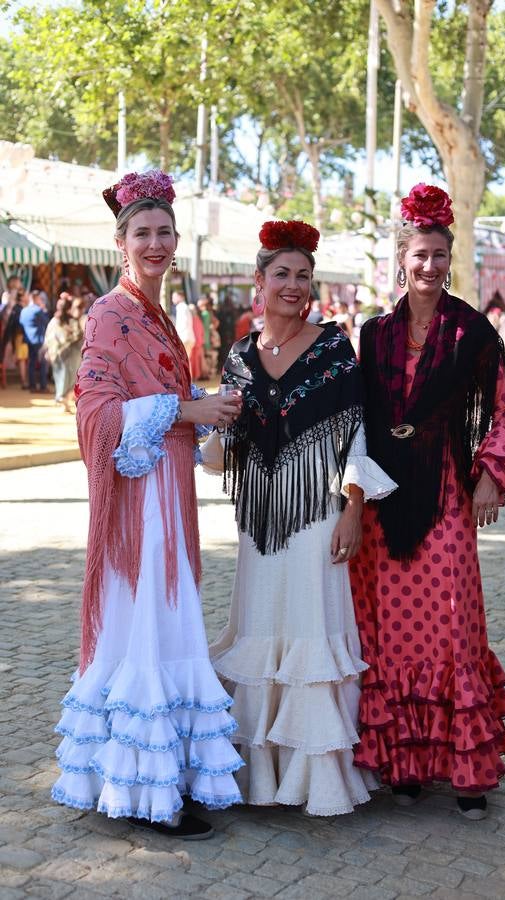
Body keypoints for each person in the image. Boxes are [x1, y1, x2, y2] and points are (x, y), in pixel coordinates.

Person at [350, 184, 505, 821]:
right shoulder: (374, 334)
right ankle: (407, 765)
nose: (430, 266)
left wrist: (492, 474)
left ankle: (467, 771)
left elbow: (502, 409)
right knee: (391, 633)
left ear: (450, 257)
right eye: (420, 253)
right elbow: (356, 417)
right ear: (401, 258)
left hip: (445, 494)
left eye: (440, 254)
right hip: (387, 500)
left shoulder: (475, 331)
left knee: (452, 622)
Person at [51, 169, 245, 839]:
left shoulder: (159, 315)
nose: (155, 243)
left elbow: (163, 411)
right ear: (120, 241)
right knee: (146, 625)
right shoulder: (111, 312)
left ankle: (160, 776)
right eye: (143, 234)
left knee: (165, 625)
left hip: (170, 492)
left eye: (164, 232)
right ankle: (143, 791)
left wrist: (207, 416)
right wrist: (191, 407)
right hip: (141, 501)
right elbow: (96, 410)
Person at [205, 219, 396, 816]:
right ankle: (260, 778)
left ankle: (316, 779)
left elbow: (355, 437)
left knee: (312, 633)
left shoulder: (334, 347)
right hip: (260, 522)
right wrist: (202, 425)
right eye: (282, 274)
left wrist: (353, 510)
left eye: (304, 276)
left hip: (317, 518)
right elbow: (222, 447)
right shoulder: (239, 355)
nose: (294, 285)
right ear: (258, 282)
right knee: (259, 631)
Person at [43, 297, 82, 412]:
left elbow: (48, 337)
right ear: (70, 307)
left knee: (59, 377)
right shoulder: (73, 321)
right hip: (72, 353)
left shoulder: (54, 320)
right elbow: (79, 335)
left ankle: (61, 398)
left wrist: (48, 350)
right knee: (70, 378)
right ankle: (63, 399)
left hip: (57, 352)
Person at [19, 289, 49, 393]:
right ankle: (43, 387)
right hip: (39, 340)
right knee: (42, 363)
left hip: (28, 339)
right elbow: (47, 322)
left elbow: (21, 324)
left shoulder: (24, 310)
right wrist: (44, 309)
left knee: (31, 363)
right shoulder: (37, 310)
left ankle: (32, 386)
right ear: (36, 299)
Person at [1, 287, 28, 388]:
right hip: (20, 336)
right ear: (21, 298)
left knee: (23, 359)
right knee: (22, 359)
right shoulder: (18, 309)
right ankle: (24, 381)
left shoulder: (18, 308)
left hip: (20, 336)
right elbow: (16, 325)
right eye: (25, 295)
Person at [172, 290, 196, 366]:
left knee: (183, 362)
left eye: (174, 297)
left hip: (184, 338)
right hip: (189, 337)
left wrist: (176, 337)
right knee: (186, 361)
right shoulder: (185, 307)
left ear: (180, 297)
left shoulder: (181, 307)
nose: (173, 299)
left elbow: (182, 323)